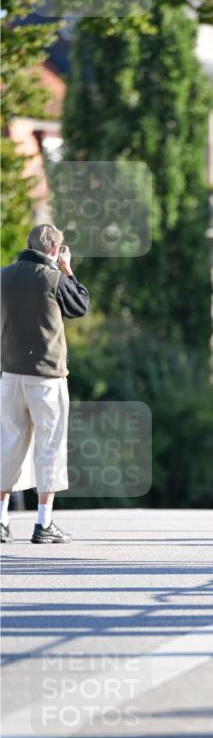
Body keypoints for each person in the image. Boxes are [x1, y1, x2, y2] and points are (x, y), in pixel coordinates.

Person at [1, 223, 89, 544]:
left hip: (10, 373)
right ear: (54, 249)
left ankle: (1, 520)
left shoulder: (4, 276)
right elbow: (80, 306)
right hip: (47, 377)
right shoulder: (53, 278)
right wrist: (67, 269)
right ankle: (43, 523)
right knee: (49, 447)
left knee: (8, 444)